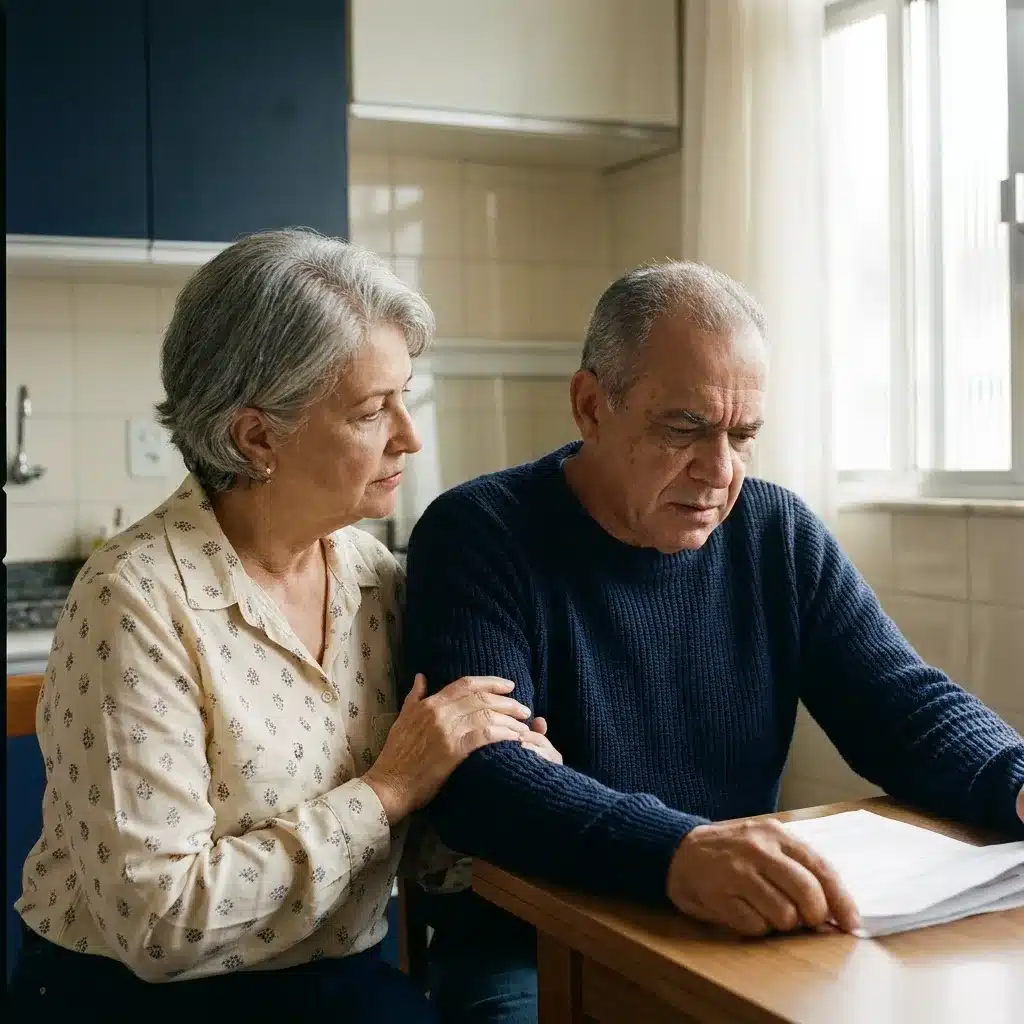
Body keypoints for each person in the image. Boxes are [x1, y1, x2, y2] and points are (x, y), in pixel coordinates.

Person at [403, 261, 1024, 1024]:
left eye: (743, 435)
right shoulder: (478, 534)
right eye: (684, 429)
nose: (719, 470)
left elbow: (897, 702)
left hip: (732, 923)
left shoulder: (776, 532)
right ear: (591, 405)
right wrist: (675, 852)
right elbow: (479, 782)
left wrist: (1013, 775)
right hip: (530, 939)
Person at [9, 230, 559, 1020]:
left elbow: (427, 851)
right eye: (374, 409)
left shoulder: (379, 578)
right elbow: (159, 926)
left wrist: (493, 782)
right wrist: (390, 788)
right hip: (135, 1000)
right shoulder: (134, 598)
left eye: (407, 396)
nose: (411, 435)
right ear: (256, 437)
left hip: (338, 982)